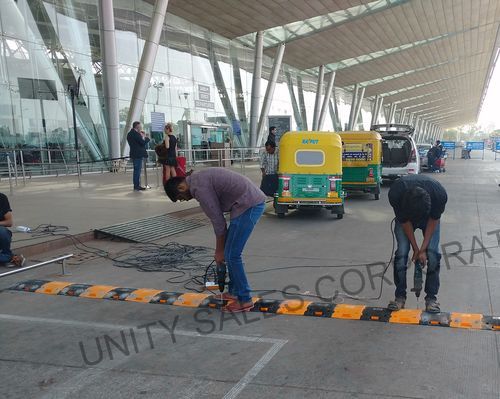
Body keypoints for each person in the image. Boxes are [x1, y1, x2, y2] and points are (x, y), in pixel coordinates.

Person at [164, 168, 266, 313]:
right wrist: (221, 250)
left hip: (249, 205)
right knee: (229, 253)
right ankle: (233, 292)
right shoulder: (197, 179)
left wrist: (219, 251)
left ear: (181, 187)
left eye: (181, 197)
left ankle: (245, 299)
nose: (185, 200)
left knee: (232, 255)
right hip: (246, 202)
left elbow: (219, 222)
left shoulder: (199, 189)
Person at [387, 175, 447, 313]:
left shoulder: (439, 194)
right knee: (401, 252)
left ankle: (431, 298)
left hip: (429, 219)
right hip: (406, 219)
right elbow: (404, 222)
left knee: (433, 253)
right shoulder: (396, 193)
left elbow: (433, 221)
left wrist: (423, 249)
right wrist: (415, 249)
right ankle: (400, 296)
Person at [0, 193, 25, 268]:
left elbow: (9, 222)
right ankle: (10, 258)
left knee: (2, 232)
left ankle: (6, 256)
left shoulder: (1, 198)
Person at [127, 121, 150, 191]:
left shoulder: (130, 134)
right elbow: (142, 143)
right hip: (138, 155)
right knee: (137, 171)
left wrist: (141, 136)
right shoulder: (136, 134)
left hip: (134, 154)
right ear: (137, 127)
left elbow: (137, 143)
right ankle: (137, 186)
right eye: (140, 127)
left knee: (136, 170)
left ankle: (137, 185)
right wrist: (147, 138)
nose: (141, 128)